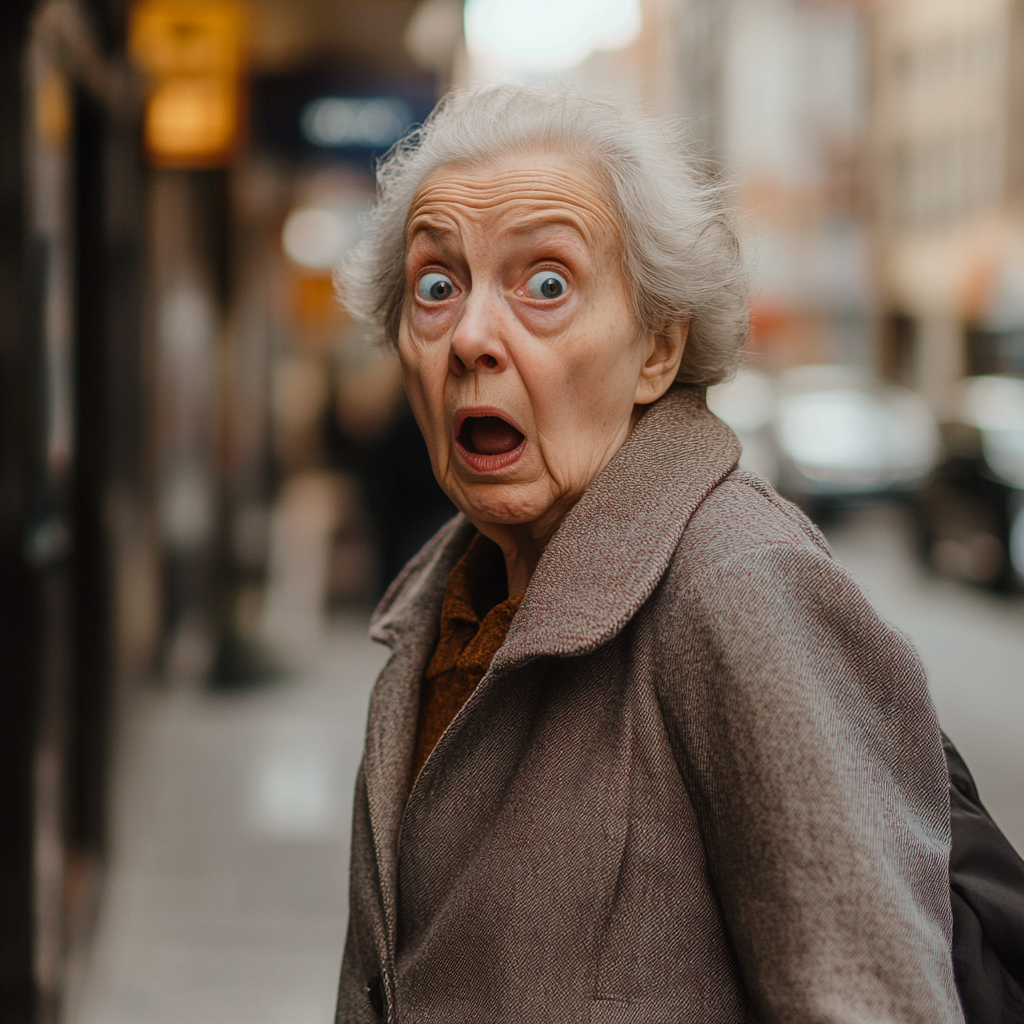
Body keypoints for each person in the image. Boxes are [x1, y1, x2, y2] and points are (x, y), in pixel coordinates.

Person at [333, 84, 963, 1023]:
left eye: (546, 284)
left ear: (658, 352)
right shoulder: (442, 608)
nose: (469, 337)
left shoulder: (741, 585)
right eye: (437, 287)